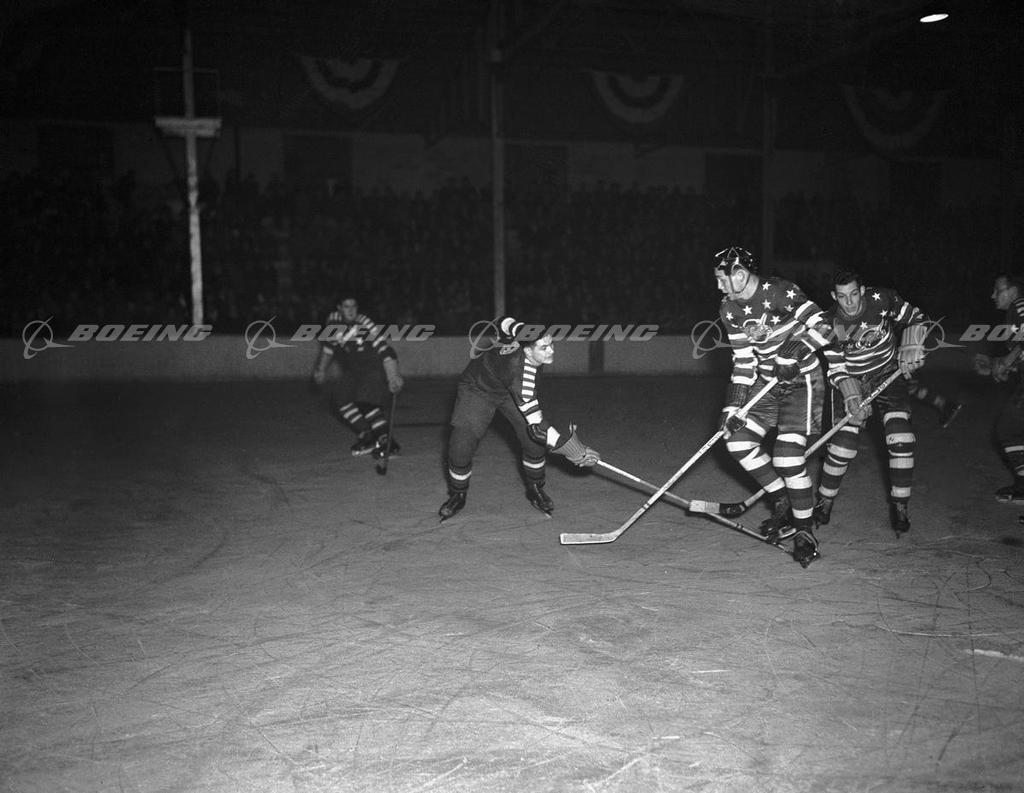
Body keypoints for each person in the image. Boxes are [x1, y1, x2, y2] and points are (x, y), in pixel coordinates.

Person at [714, 246, 831, 567]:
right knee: (736, 440)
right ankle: (783, 501)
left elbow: (826, 325)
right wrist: (733, 407)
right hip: (765, 384)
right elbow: (743, 360)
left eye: (722, 279)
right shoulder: (728, 308)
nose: (719, 286)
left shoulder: (779, 291)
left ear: (740, 275)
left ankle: (805, 532)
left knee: (787, 457)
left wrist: (793, 352)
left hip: (802, 383)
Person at [438, 316, 600, 521]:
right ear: (528, 351)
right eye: (544, 348)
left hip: (508, 390)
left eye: (551, 344)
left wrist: (514, 327)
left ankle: (535, 489)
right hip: (478, 388)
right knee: (461, 444)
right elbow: (538, 426)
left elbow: (501, 321)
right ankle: (458, 494)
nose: (551, 351)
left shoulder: (524, 337)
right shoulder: (520, 373)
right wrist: (571, 449)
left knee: (533, 443)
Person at [813, 271, 929, 535]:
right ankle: (825, 500)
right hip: (851, 377)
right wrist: (852, 395)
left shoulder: (882, 299)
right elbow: (836, 368)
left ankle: (900, 506)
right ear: (833, 296)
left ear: (863, 290)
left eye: (854, 294)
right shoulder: (828, 323)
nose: (850, 302)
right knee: (842, 447)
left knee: (901, 439)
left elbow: (916, 316)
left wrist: (911, 344)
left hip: (887, 372)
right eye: (842, 296)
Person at [310, 292, 404, 459]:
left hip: (374, 367)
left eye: (354, 306)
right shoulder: (333, 321)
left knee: (366, 403)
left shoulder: (364, 323)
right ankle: (368, 435)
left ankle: (387, 441)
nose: (351, 310)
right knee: (341, 399)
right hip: (354, 370)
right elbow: (329, 348)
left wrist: (393, 375)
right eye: (347, 306)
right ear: (339, 308)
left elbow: (385, 349)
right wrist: (321, 369)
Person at [973, 274, 1024, 502]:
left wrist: (1007, 361)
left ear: (1012, 291)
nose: (992, 295)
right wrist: (1000, 365)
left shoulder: (1019, 305)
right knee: (1011, 429)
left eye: (998, 290)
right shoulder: (1013, 314)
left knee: (1008, 428)